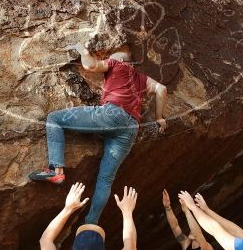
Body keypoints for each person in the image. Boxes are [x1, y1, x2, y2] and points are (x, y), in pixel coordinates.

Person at [29, 43, 167, 225]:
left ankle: (56, 170)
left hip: (111, 115)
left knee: (54, 119)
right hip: (131, 128)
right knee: (105, 180)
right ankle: (90, 225)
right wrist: (159, 117)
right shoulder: (141, 78)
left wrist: (82, 50)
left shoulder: (117, 64)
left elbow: (91, 66)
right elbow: (161, 89)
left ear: (118, 60)